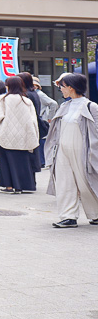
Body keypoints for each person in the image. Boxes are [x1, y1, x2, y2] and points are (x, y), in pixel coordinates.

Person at [46, 73, 98, 228]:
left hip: (82, 149)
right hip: (63, 148)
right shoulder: (64, 106)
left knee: (86, 181)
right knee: (64, 182)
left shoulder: (91, 106)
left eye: (63, 86)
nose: (61, 89)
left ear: (71, 87)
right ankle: (68, 217)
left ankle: (95, 214)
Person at [0, 76, 39, 194]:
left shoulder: (2, 99)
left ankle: (8, 185)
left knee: (5, 161)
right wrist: (34, 136)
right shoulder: (26, 101)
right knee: (23, 161)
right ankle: (21, 186)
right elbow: (33, 120)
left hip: (6, 135)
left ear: (8, 86)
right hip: (23, 136)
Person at [18, 71, 44, 172]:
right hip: (34, 124)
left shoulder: (27, 95)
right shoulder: (34, 93)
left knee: (28, 153)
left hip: (28, 126)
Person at [34, 76, 59, 168]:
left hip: (42, 119)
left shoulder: (39, 94)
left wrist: (50, 117)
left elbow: (53, 103)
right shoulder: (36, 94)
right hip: (39, 119)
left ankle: (43, 161)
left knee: (42, 140)